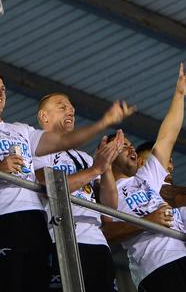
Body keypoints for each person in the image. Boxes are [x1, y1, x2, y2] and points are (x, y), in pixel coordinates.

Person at [0, 66, 134, 292]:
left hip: (37, 220)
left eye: (4, 88)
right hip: (2, 215)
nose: (0, 92)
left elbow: (64, 141)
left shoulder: (21, 130)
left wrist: (103, 124)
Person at [103, 63, 186, 291]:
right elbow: (107, 233)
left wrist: (179, 95)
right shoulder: (104, 190)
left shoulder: (148, 176)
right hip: (156, 268)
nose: (130, 149)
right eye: (122, 146)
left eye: (131, 145)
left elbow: (167, 136)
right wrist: (147, 222)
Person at [33, 93, 122, 292]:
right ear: (44, 117)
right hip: (62, 240)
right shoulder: (38, 149)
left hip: (97, 243)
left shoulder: (85, 157)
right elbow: (50, 186)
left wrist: (105, 166)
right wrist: (95, 170)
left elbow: (109, 207)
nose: (71, 110)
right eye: (61, 106)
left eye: (72, 107)